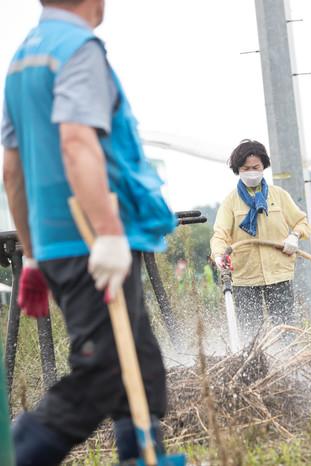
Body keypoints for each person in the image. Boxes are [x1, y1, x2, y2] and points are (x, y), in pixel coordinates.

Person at [2, 1, 177, 463]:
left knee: (138, 364)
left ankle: (144, 456)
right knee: (103, 372)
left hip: (59, 246)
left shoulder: (22, 61)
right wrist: (108, 233)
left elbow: (12, 172)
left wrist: (33, 258)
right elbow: (77, 142)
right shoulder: (77, 49)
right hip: (91, 240)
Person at [210, 139, 311, 345]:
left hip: (278, 274)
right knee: (251, 336)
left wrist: (294, 236)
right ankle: (255, 363)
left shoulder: (279, 196)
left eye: (255, 167)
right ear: (238, 170)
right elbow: (220, 235)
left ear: (264, 166)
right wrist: (219, 256)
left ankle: (289, 361)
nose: (251, 172)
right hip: (245, 278)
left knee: (285, 332)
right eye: (245, 168)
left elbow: (302, 222)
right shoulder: (230, 202)